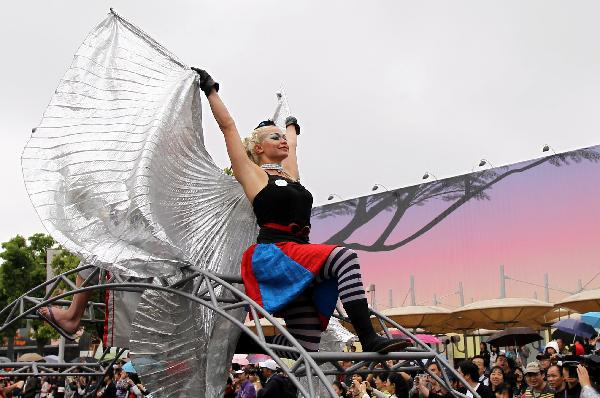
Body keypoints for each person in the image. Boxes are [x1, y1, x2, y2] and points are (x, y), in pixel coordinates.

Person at [193, 68, 409, 355]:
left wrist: (292, 126)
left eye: (282, 137)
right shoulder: (254, 176)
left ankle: (230, 343)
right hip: (275, 255)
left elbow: (293, 144)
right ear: (258, 148)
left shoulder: (290, 175)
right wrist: (211, 91)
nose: (282, 140)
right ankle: (368, 337)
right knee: (343, 257)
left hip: (300, 256)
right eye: (274, 138)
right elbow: (229, 127)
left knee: (304, 344)